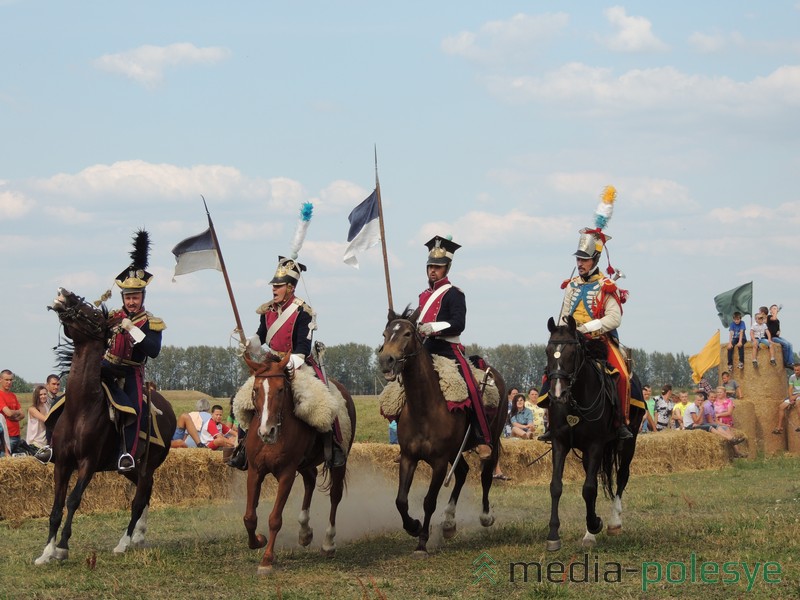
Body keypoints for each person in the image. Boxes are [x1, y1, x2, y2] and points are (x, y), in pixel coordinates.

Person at [539, 189, 633, 442]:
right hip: (572, 340)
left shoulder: (606, 286)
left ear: (595, 259)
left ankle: (619, 422)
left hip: (598, 341)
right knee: (552, 370)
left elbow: (614, 319)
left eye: (585, 260)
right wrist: (561, 334)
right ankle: (552, 422)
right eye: (578, 259)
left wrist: (590, 326)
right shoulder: (571, 286)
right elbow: (563, 316)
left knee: (622, 375)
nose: (580, 264)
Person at [236, 254, 345, 470]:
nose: (274, 289)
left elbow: (302, 349)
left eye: (279, 286)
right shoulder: (267, 311)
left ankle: (331, 446)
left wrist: (284, 366)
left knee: (321, 401)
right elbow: (261, 338)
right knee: (244, 399)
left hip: (296, 362)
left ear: (290, 288)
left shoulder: (302, 312)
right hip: (270, 362)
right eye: (273, 286)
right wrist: (249, 343)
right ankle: (242, 447)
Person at [416, 235, 493, 460]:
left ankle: (481, 438)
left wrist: (433, 328)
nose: (433, 270)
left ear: (447, 268)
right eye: (430, 266)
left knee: (471, 387)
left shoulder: (454, 294)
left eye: (438, 267)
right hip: (425, 350)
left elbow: (459, 324)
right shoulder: (423, 296)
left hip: (449, 350)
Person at [101, 230, 165, 472]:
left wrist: (133, 330)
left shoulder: (152, 321)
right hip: (106, 366)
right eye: (128, 297)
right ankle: (54, 443)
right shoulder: (111, 317)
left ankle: (125, 453)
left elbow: (153, 350)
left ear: (142, 297)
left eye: (135, 297)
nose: (131, 302)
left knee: (135, 409)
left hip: (130, 372)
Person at [684, 391, 745, 456]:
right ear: (695, 400)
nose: (700, 402)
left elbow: (700, 422)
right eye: (698, 400)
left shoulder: (700, 407)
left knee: (715, 426)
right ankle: (730, 439)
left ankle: (732, 439)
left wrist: (699, 418)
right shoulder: (692, 407)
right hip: (689, 426)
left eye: (701, 400)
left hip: (696, 424)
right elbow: (696, 421)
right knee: (709, 427)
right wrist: (701, 411)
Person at [0, 370, 24, 454]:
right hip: (6, 438)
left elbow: (22, 415)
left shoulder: (12, 395)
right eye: (6, 380)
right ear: (0, 379)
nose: (9, 382)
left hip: (17, 435)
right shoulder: (0, 395)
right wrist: (15, 413)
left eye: (10, 380)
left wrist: (12, 414)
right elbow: (8, 413)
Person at [772, 363, 800, 435]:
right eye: (795, 370)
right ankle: (779, 427)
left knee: (798, 403)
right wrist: (791, 398)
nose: (796, 372)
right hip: (793, 395)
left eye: (798, 370)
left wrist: (796, 396)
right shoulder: (792, 377)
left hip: (798, 395)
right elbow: (790, 388)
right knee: (781, 407)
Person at [767, 304, 795, 369]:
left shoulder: (778, 320)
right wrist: (776, 312)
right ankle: (785, 362)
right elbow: (773, 318)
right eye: (773, 308)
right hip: (772, 338)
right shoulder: (769, 317)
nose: (775, 309)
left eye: (776, 308)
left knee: (790, 344)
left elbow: (778, 329)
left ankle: (791, 362)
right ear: (770, 310)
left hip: (777, 337)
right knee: (785, 344)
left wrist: (779, 331)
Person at [26, 385, 50, 452]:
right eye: (40, 394)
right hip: (35, 442)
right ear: (37, 396)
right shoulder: (32, 409)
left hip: (45, 441)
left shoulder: (47, 406)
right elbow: (46, 420)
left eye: (45, 394)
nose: (43, 396)